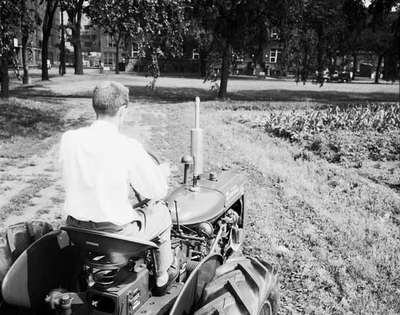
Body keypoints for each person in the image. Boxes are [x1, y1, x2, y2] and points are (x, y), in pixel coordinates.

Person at [59, 81, 176, 295]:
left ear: (95, 107)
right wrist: (161, 174)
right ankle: (162, 276)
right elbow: (157, 191)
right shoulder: (127, 146)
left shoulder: (69, 140)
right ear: (122, 111)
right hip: (114, 236)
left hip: (76, 229)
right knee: (162, 213)